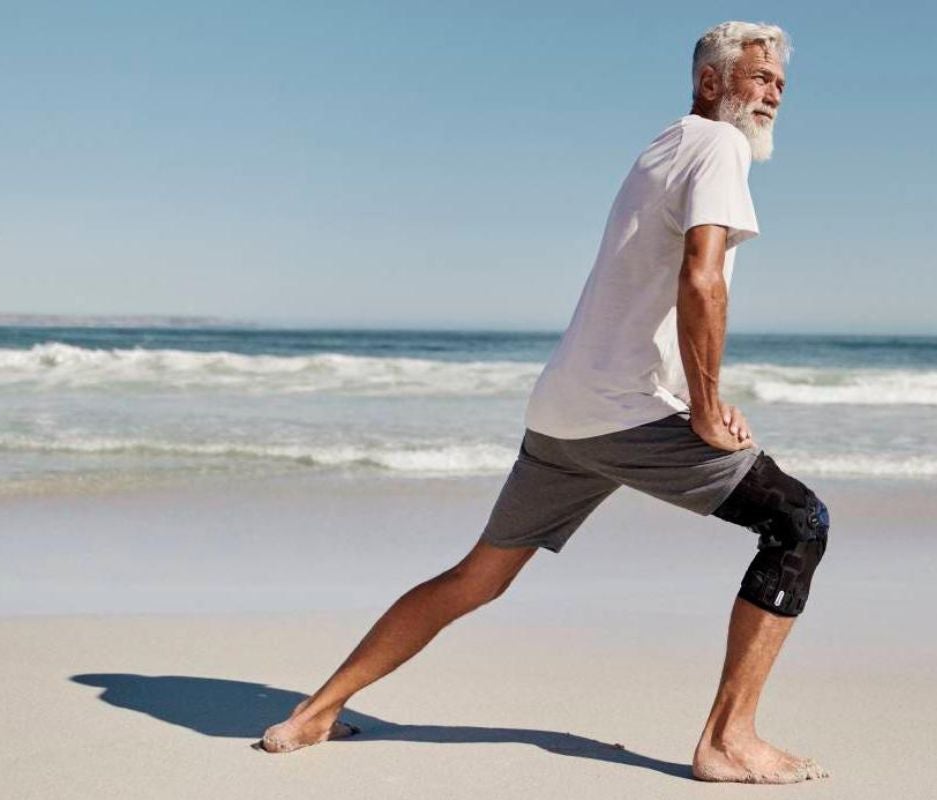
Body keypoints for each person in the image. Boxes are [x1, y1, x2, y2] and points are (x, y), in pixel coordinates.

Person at [254, 21, 827, 785]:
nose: (774, 93)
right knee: (797, 522)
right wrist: (705, 406)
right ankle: (728, 738)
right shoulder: (718, 146)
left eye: (781, 83)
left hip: (565, 410)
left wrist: (691, 396)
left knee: (477, 577)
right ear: (711, 83)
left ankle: (314, 711)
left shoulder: (663, 145)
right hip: (625, 413)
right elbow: (702, 278)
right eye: (760, 78)